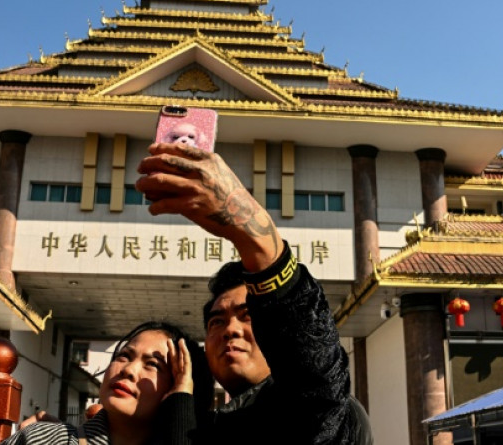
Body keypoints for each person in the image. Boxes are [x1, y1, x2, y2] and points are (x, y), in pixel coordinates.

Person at [135, 143, 373, 445]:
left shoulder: (328, 412)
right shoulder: (210, 426)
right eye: (216, 322)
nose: (230, 329)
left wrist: (253, 235)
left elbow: (315, 377)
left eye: (247, 316)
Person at [1, 321, 213, 445]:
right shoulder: (43, 440)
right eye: (124, 356)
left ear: (178, 387)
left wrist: (181, 407)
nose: (128, 370)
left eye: (153, 365)